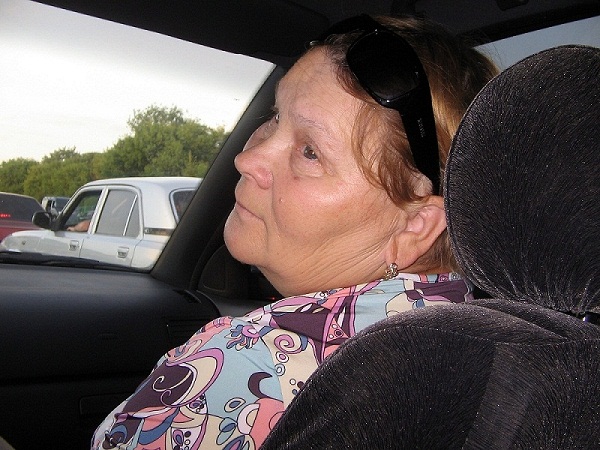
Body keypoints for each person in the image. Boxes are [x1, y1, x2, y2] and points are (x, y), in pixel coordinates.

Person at [92, 14, 498, 449]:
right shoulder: (489, 347)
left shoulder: (247, 367)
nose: (247, 159)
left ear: (416, 225)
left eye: (309, 152)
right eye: (275, 116)